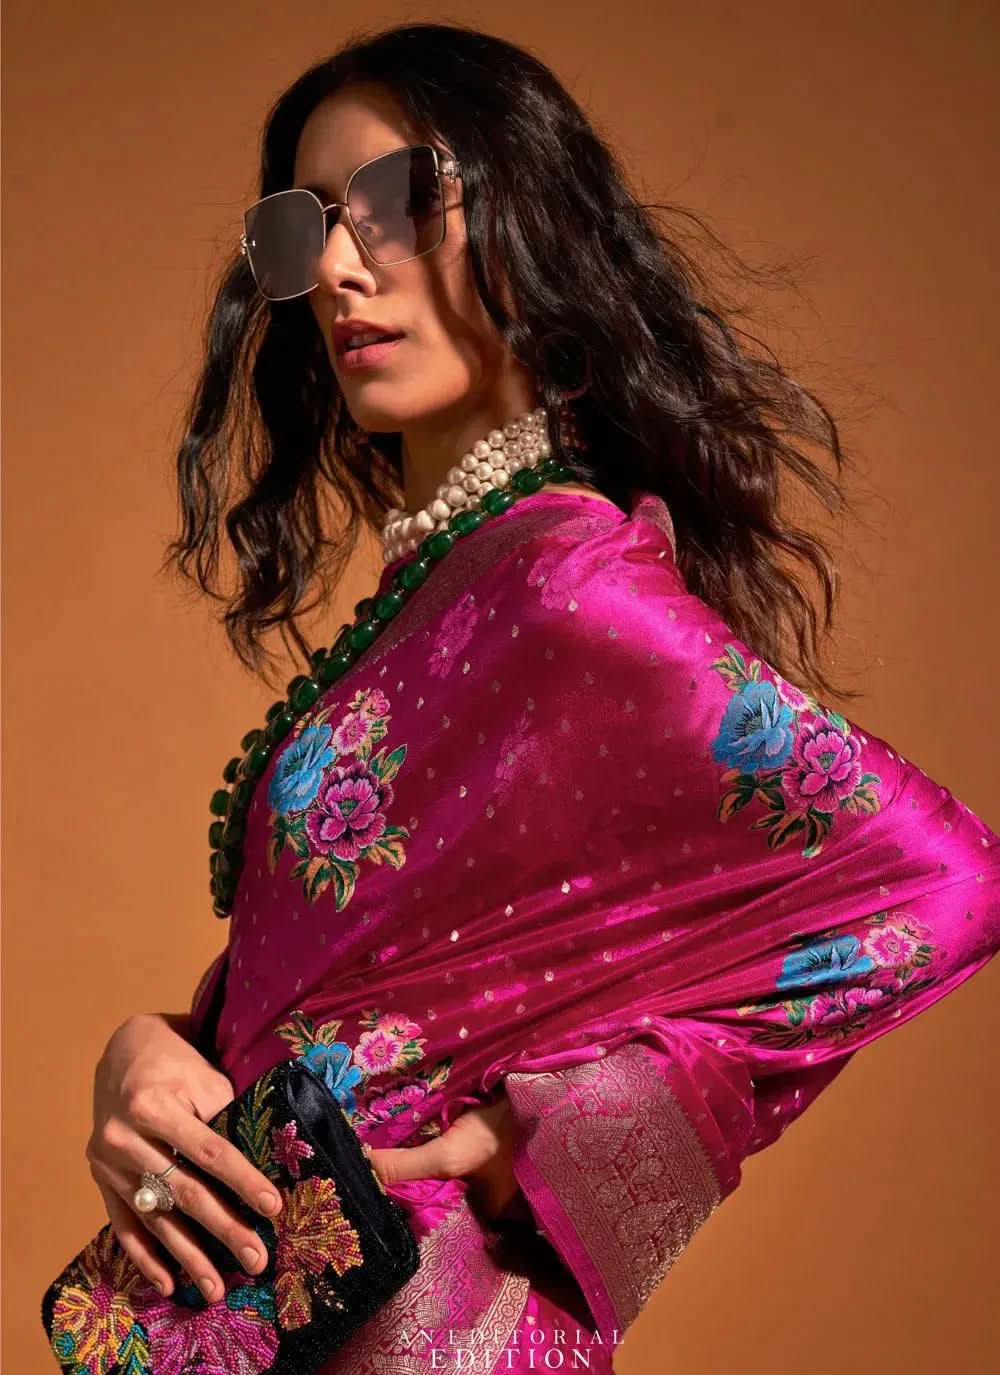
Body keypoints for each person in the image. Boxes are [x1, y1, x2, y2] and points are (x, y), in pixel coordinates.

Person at [83, 21, 999, 1374]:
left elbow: (948, 883)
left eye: (397, 202)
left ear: (529, 212)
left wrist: (549, 1133)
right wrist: (153, 1050)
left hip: (420, 1326)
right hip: (277, 1308)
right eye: (302, 227)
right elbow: (357, 984)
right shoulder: (456, 581)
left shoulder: (571, 587)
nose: (337, 268)